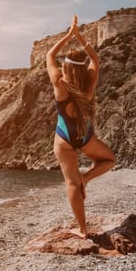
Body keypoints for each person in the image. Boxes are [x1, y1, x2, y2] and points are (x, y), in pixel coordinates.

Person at [46, 15, 115, 239]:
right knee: (108, 160)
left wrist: (68, 35)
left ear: (65, 67)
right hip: (85, 136)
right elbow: (95, 58)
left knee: (71, 182)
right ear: (82, 68)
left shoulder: (60, 83)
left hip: (64, 139)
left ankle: (83, 230)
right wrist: (80, 37)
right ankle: (87, 177)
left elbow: (49, 55)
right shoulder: (90, 82)